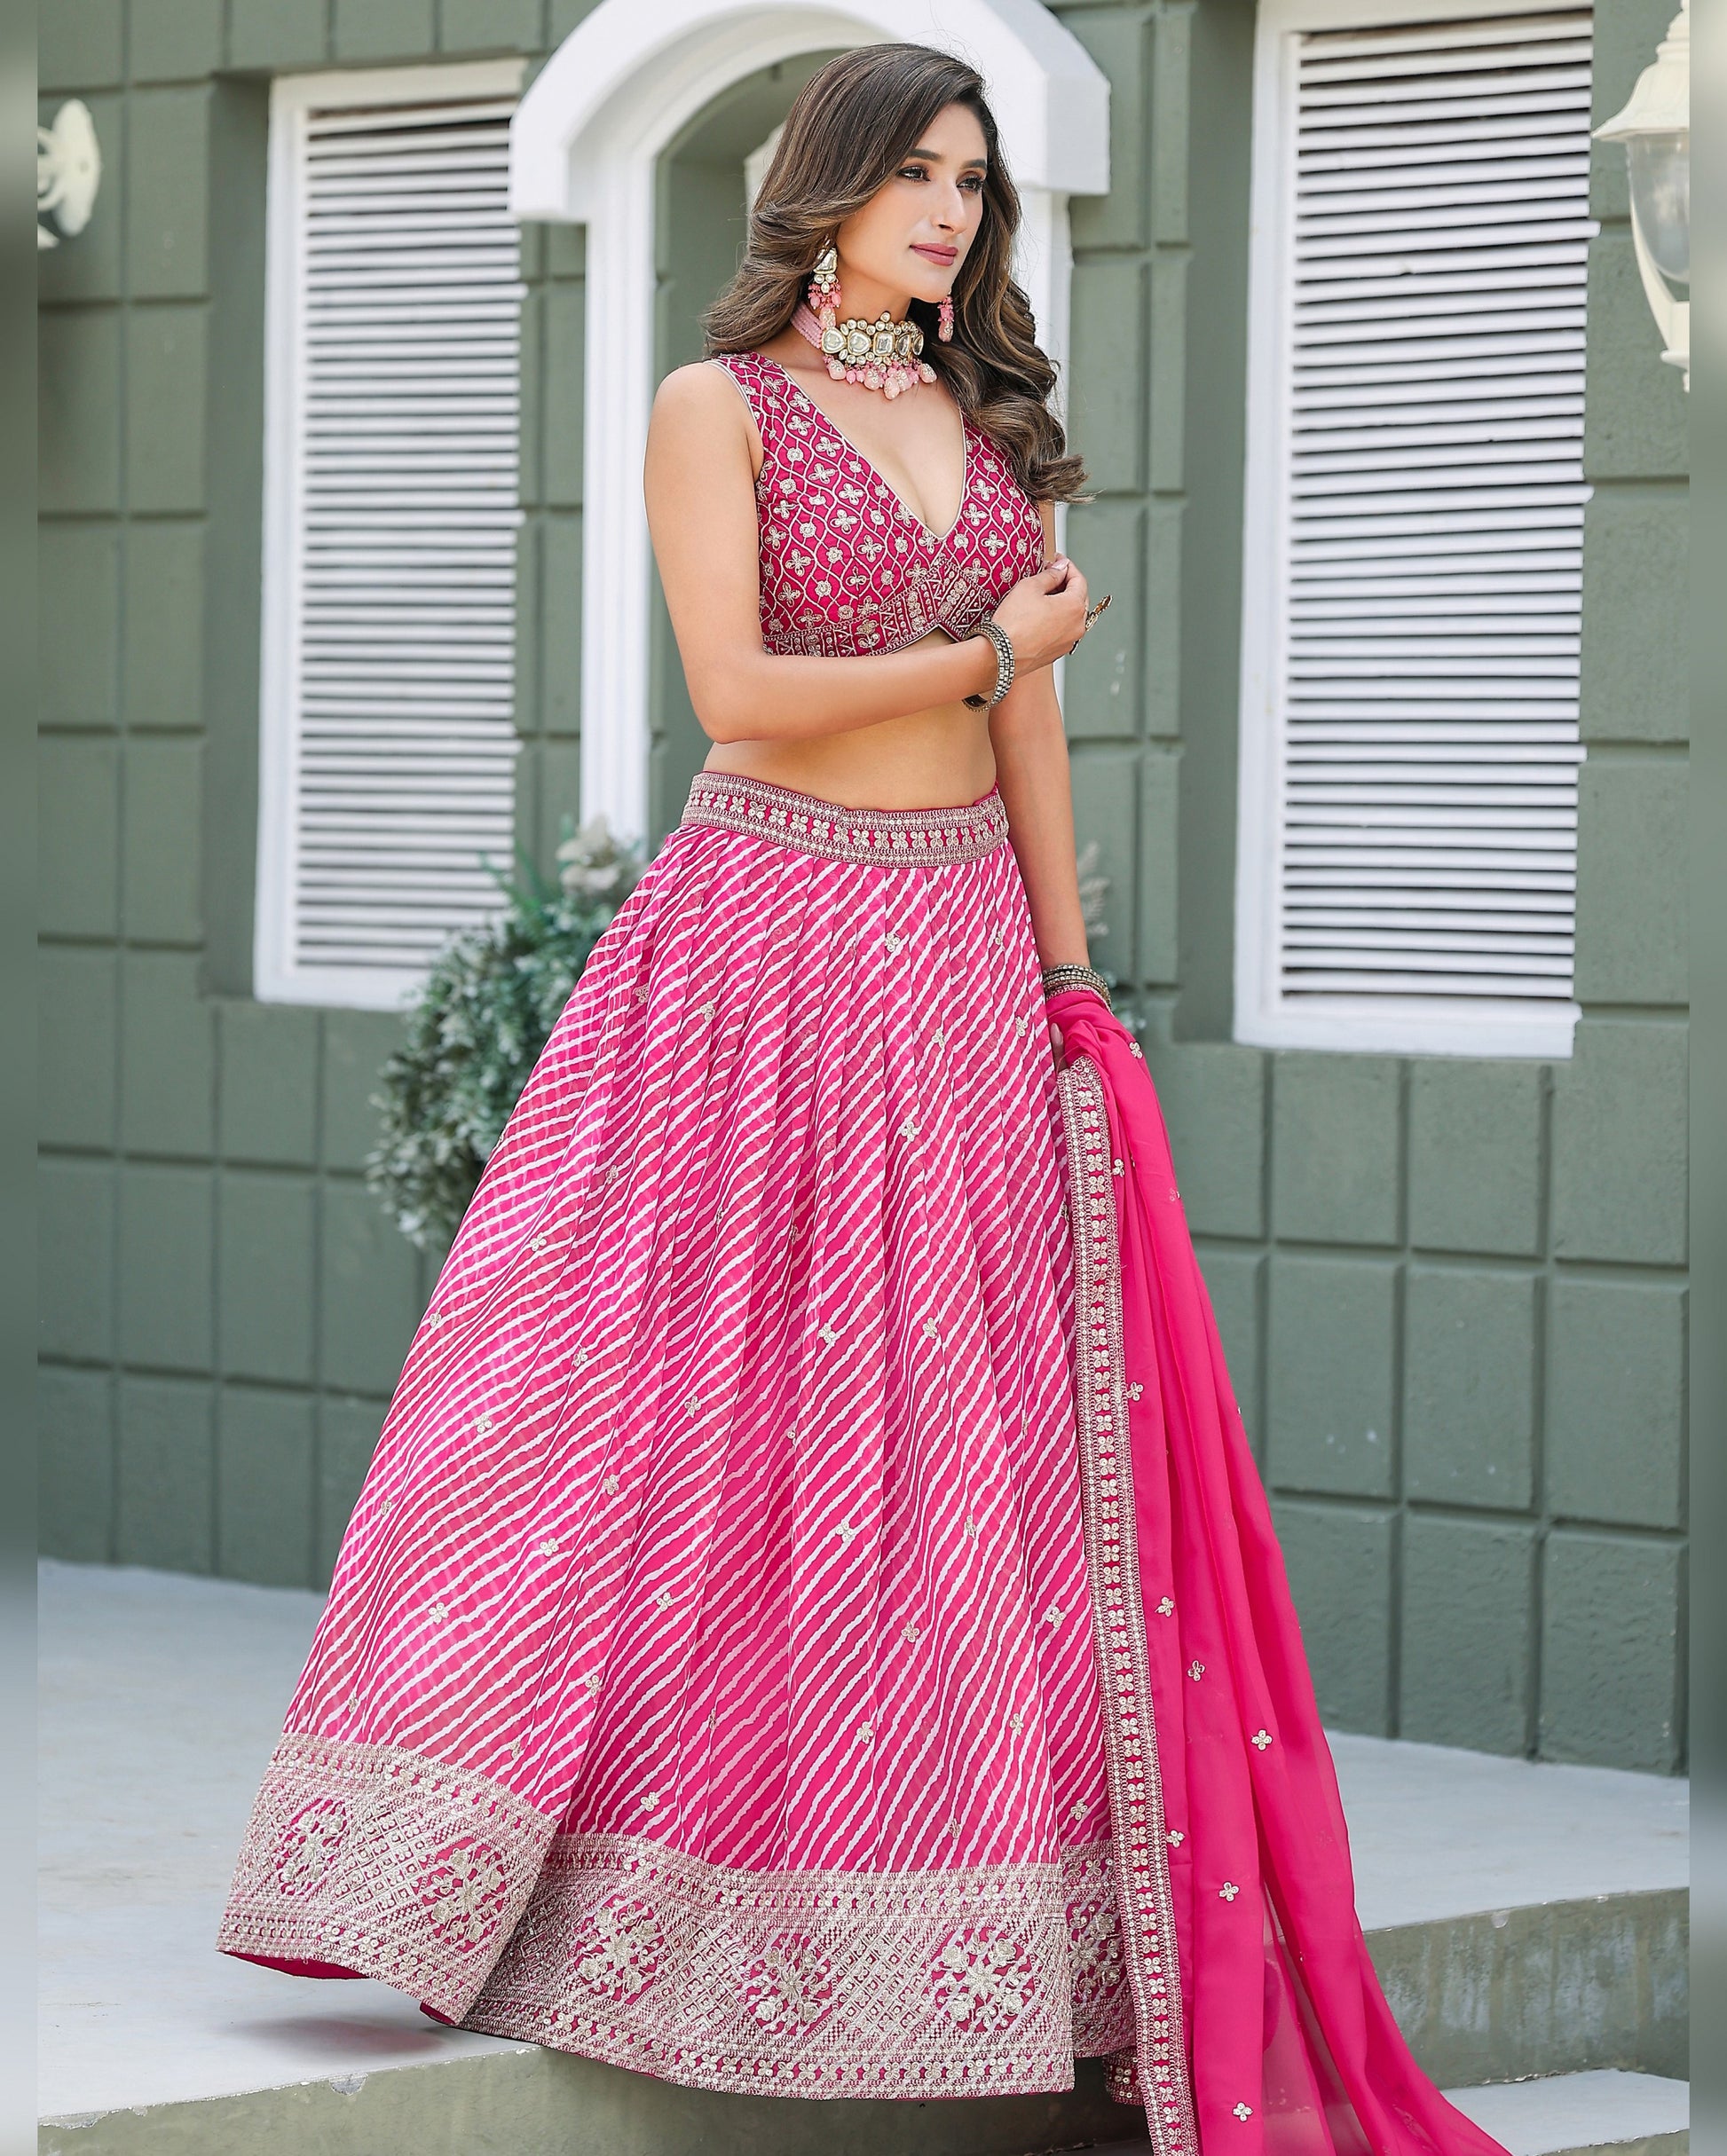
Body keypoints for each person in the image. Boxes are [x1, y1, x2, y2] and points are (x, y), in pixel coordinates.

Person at [218, 45, 1508, 2154]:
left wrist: (1071, 985)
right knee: (666, 1419)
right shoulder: (708, 408)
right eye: (913, 170)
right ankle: (587, 1880)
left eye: (976, 179)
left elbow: (1037, 742)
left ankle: (934, 1906)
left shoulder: (989, 423)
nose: (950, 208)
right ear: (815, 186)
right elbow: (737, 693)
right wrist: (991, 653)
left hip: (954, 965)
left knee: (947, 1455)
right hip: (752, 953)